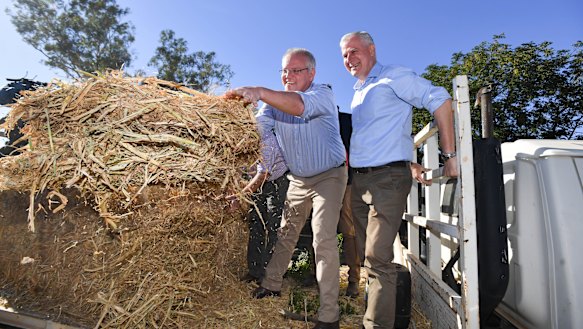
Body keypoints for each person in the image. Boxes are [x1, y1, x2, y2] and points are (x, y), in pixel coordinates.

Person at [339, 31, 458, 329]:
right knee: (371, 260)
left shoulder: (394, 76)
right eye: (344, 55)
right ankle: (377, 314)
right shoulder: (359, 90)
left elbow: (440, 98)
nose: (349, 59)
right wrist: (411, 162)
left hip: (386, 180)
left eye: (355, 51)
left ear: (372, 49)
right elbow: (387, 135)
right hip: (360, 182)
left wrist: (450, 153)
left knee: (378, 259)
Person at [225, 48, 347, 329]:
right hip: (299, 178)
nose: (287, 76)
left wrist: (259, 90)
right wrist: (229, 115)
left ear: (311, 73)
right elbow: (255, 132)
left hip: (330, 175)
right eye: (284, 71)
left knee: (323, 238)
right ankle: (272, 285)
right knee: (286, 233)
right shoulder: (270, 107)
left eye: (295, 70)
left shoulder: (323, 93)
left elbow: (299, 106)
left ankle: (329, 315)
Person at [226, 115, 289, 285]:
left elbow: (263, 174)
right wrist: (235, 192)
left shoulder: (267, 142)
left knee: (273, 226)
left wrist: (239, 197)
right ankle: (254, 271)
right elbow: (235, 170)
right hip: (257, 182)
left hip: (276, 181)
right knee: (255, 224)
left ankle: (269, 276)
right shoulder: (242, 142)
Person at [336, 106, 361, 298]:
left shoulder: (348, 120)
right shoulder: (311, 121)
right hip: (320, 182)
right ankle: (316, 274)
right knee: (320, 227)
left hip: (348, 180)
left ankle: (353, 279)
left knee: (349, 229)